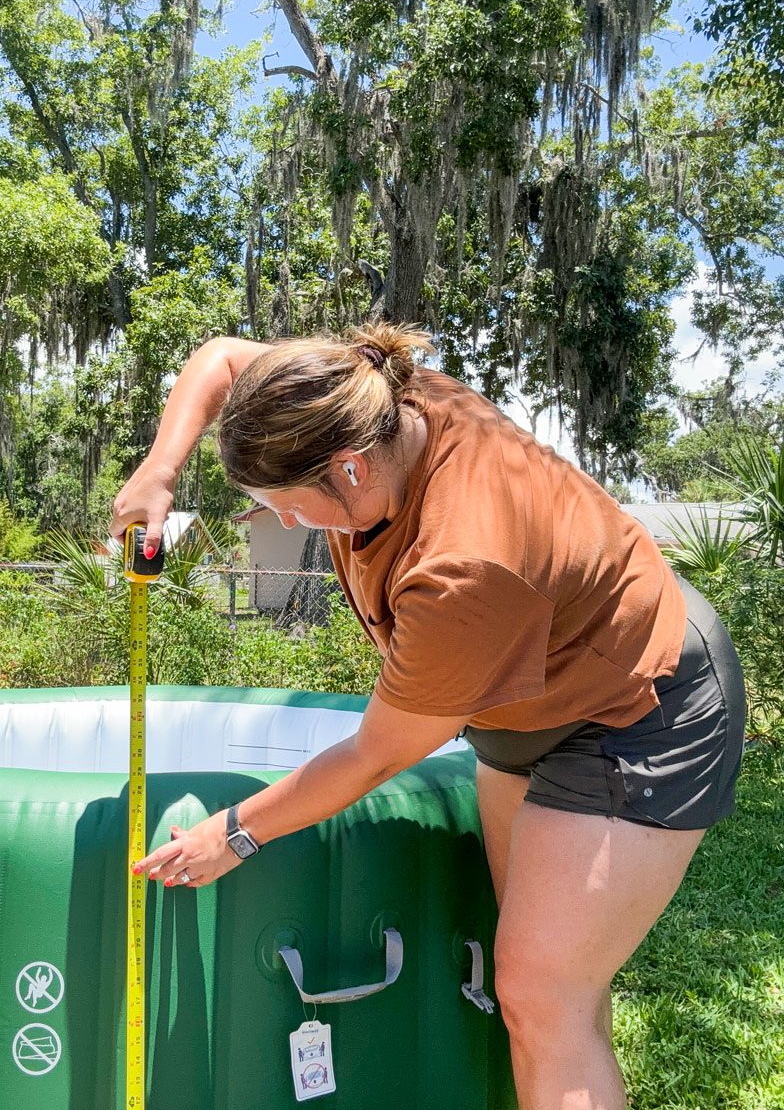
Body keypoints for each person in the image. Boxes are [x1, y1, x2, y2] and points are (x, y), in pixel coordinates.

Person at [108, 323, 746, 1110]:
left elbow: (376, 755)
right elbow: (223, 357)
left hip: (636, 706)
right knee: (555, 991)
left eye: (292, 507)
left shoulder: (464, 565)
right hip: (523, 702)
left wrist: (235, 831)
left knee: (541, 993)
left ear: (348, 467)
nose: (293, 526)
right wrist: (159, 468)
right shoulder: (360, 398)